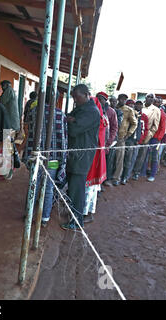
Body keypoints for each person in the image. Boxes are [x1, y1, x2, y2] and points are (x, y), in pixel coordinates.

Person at [22, 88, 67, 227]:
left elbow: (28, 128)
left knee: (33, 185)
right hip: (53, 159)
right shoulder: (60, 114)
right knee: (48, 188)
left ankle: (29, 213)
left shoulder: (35, 112)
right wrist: (63, 158)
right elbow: (63, 139)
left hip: (36, 156)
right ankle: (45, 218)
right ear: (56, 99)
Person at [62, 84, 100, 231]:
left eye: (77, 97)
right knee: (72, 188)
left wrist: (71, 121)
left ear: (86, 95)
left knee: (77, 190)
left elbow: (72, 130)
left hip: (81, 156)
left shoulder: (91, 112)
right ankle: (73, 214)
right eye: (73, 97)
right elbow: (68, 119)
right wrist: (70, 119)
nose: (75, 100)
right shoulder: (82, 109)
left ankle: (76, 222)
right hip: (75, 154)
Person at [83, 96, 108, 223]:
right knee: (92, 188)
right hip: (97, 156)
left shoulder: (96, 120)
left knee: (89, 188)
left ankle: (86, 213)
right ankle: (87, 212)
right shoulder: (102, 119)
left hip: (94, 157)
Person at [131, 93, 161, 181]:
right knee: (132, 154)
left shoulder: (156, 110)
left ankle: (136, 173)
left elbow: (155, 126)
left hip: (146, 137)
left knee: (141, 156)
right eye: (149, 97)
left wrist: (147, 137)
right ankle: (128, 172)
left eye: (152, 97)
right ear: (145, 97)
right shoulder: (139, 106)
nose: (151, 99)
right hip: (135, 135)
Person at [111, 94, 137, 186]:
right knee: (110, 158)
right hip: (111, 137)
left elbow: (134, 123)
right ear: (118, 99)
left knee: (119, 158)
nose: (123, 101)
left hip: (121, 137)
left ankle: (116, 178)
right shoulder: (113, 107)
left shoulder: (129, 110)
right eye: (121, 99)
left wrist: (129, 134)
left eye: (125, 99)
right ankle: (108, 176)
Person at [123, 100, 149, 182]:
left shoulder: (144, 117)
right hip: (129, 139)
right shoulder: (131, 114)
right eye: (136, 104)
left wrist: (141, 140)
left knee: (135, 158)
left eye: (140, 104)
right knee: (127, 158)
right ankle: (124, 176)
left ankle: (130, 175)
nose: (138, 106)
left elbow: (145, 130)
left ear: (142, 106)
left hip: (138, 140)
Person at [97, 92, 118, 187]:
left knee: (105, 163)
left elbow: (114, 128)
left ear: (105, 100)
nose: (98, 101)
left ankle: (102, 182)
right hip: (95, 143)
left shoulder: (111, 111)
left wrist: (109, 142)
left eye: (101, 99)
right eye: (97, 98)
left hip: (106, 143)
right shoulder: (94, 109)